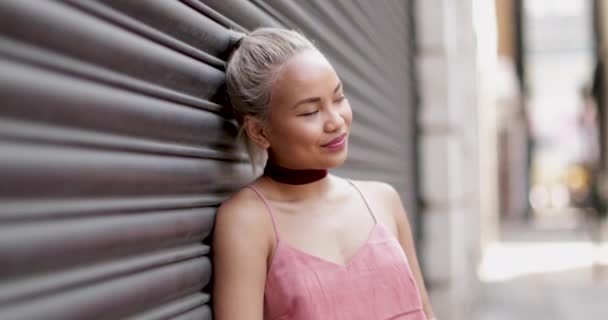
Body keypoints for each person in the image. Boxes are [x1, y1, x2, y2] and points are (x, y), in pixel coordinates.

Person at [213, 27, 436, 320]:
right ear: (259, 131)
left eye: (339, 98)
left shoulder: (384, 200)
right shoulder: (247, 220)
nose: (336, 121)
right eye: (310, 112)